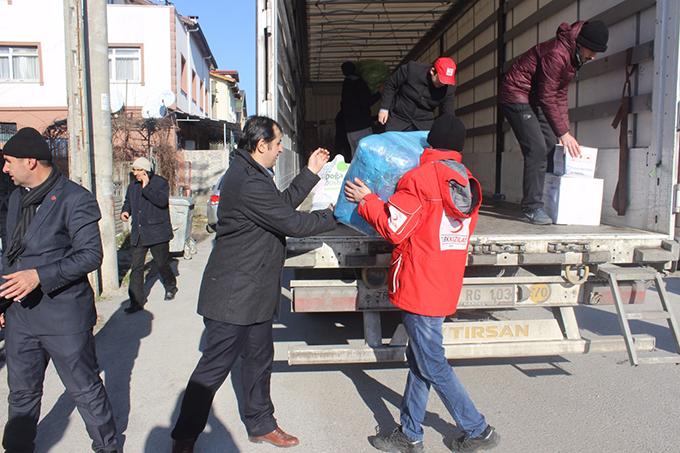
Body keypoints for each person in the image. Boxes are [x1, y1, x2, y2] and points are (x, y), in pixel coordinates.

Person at [170, 116, 336, 453]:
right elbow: (291, 221)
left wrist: (311, 172)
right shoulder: (247, 181)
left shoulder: (255, 175)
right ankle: (183, 439)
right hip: (233, 296)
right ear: (261, 146)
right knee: (212, 371)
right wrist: (339, 214)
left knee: (259, 360)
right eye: (276, 145)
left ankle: (261, 424)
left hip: (255, 291)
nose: (279, 151)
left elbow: (279, 207)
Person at [344, 114, 499, 453]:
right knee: (420, 360)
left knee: (431, 362)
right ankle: (410, 434)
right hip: (444, 281)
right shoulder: (468, 182)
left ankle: (478, 429)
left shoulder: (420, 179)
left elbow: (394, 227)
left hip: (418, 284)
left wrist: (367, 200)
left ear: (430, 143)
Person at [0, 127, 119, 453]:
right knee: (21, 393)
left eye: (9, 161)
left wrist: (39, 275)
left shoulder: (75, 198)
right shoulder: (16, 199)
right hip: (21, 317)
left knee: (84, 389)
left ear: (31, 162)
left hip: (63, 316)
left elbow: (91, 255)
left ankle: (108, 448)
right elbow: (10, 254)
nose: (5, 168)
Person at [499, 20, 609, 224]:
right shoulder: (557, 54)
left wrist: (564, 131)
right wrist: (563, 132)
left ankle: (550, 201)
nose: (593, 56)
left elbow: (560, 95)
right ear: (582, 43)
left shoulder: (573, 56)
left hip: (536, 97)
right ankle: (531, 207)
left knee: (552, 147)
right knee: (537, 148)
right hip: (516, 93)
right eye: (592, 51)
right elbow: (547, 96)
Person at [120, 156, 177, 314]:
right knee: (136, 268)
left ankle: (171, 285)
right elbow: (128, 202)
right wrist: (125, 211)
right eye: (134, 170)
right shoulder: (132, 186)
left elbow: (161, 202)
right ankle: (136, 302)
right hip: (139, 233)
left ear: (146, 171)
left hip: (157, 233)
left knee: (161, 263)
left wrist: (146, 187)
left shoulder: (160, 183)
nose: (135, 173)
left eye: (139, 170)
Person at [378, 57, 457, 132]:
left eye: (446, 81)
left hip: (423, 124)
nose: (443, 84)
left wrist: (449, 130)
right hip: (398, 118)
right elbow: (390, 85)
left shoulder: (448, 89)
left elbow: (448, 113)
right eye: (441, 80)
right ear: (432, 71)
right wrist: (384, 108)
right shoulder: (412, 69)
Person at [340, 61, 381, 156]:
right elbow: (366, 102)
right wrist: (379, 93)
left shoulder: (346, 84)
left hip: (350, 129)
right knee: (367, 155)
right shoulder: (359, 83)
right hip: (362, 126)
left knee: (355, 157)